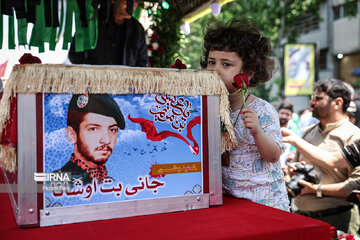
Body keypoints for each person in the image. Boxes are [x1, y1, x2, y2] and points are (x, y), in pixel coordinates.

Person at [201, 18, 289, 211]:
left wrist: (257, 131)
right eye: (211, 62)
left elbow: (274, 156)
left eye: (226, 64)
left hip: (266, 204)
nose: (215, 70)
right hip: (230, 203)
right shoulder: (208, 108)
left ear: (248, 74)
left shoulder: (263, 110)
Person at [282, 78, 360, 235]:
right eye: (312, 98)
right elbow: (298, 165)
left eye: (318, 98)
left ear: (337, 103)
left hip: (336, 220)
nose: (312, 104)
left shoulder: (353, 136)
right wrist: (294, 170)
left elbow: (355, 185)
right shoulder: (308, 132)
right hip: (302, 217)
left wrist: (315, 190)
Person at [56, 94, 125, 186]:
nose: (106, 140)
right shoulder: (59, 182)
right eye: (93, 129)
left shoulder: (107, 180)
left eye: (112, 130)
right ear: (72, 134)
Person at [68, 0, 148, 67]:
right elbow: (74, 53)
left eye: (136, 1)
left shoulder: (137, 29)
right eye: (128, 1)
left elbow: (142, 62)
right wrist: (93, 72)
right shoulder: (93, 21)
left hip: (123, 84)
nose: (132, 6)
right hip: (93, 82)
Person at [277, 101, 299, 173]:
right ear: (277, 112)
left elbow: (293, 152)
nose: (284, 116)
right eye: (282, 113)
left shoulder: (294, 131)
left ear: (291, 116)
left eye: (287, 114)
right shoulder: (270, 127)